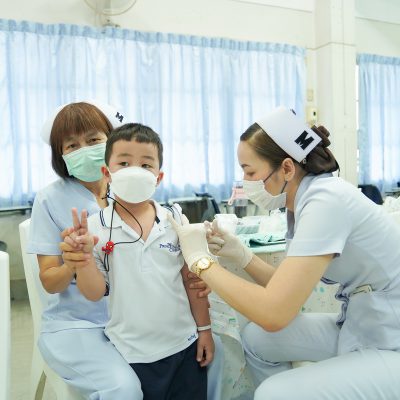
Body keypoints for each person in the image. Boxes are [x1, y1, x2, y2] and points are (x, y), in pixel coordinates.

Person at [168, 107, 400, 400]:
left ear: (287, 168)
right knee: (256, 339)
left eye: (250, 172)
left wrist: (200, 262)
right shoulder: (304, 201)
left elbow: (275, 313)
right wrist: (241, 255)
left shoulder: (326, 201)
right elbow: (287, 288)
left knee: (273, 393)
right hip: (364, 324)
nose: (245, 181)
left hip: (391, 338)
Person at [28, 101, 224, 400]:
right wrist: (75, 262)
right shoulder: (50, 200)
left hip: (139, 317)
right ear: (60, 154)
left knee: (214, 352)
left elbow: (174, 266)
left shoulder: (137, 194)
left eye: (93, 140)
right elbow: (51, 281)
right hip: (80, 323)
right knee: (125, 389)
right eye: (72, 145)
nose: (84, 149)